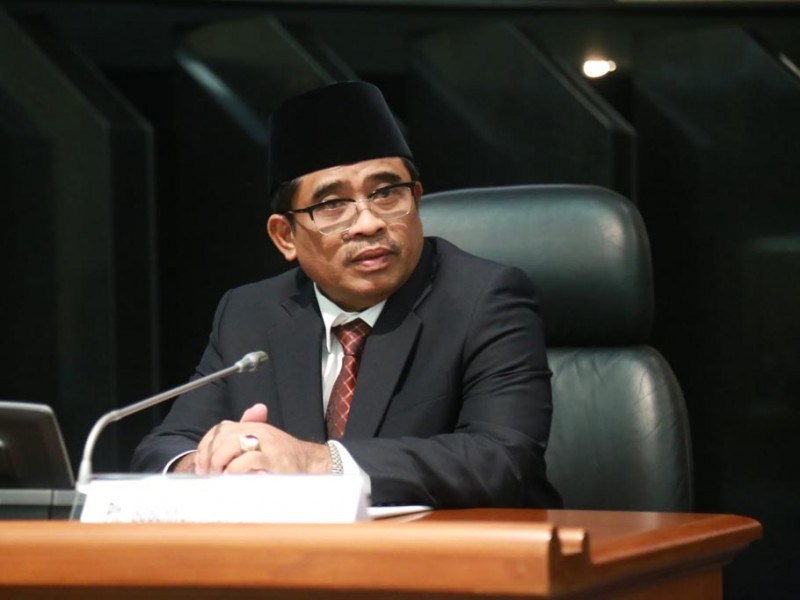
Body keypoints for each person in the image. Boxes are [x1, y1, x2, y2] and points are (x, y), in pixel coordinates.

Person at [132, 81, 562, 509]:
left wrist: (315, 463)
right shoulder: (250, 313)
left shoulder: (483, 299)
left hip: (461, 548)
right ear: (285, 237)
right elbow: (164, 446)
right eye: (332, 206)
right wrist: (206, 466)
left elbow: (502, 458)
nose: (368, 223)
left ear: (416, 199)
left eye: (386, 194)